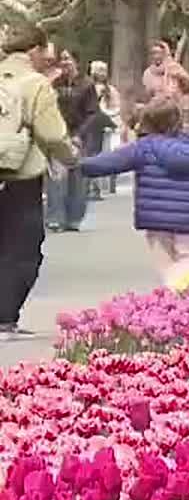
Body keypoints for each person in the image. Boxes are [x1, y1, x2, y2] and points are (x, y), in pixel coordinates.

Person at [81, 97, 189, 286]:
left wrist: (78, 165)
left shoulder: (144, 147)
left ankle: (176, 290)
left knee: (165, 261)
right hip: (188, 215)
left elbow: (111, 162)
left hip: (155, 217)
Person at [0, 26, 77, 337]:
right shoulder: (35, 85)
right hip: (20, 173)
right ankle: (5, 316)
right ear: (34, 49)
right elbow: (52, 134)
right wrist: (71, 158)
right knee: (23, 247)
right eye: (46, 50)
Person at [46, 49, 99, 232]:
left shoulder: (87, 85)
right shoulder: (55, 84)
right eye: (62, 59)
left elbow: (92, 114)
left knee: (78, 178)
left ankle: (74, 218)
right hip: (60, 135)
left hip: (80, 135)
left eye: (68, 59)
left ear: (76, 62)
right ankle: (55, 217)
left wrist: (79, 134)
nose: (64, 63)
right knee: (57, 178)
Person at [141, 39, 189, 129]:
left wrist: (180, 77)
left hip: (174, 111)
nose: (155, 56)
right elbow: (148, 95)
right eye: (153, 53)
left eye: (158, 53)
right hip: (156, 112)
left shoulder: (174, 68)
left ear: (164, 54)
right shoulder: (148, 73)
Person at [88, 61, 122, 196]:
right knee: (92, 153)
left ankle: (103, 186)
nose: (100, 74)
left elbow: (116, 108)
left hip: (106, 126)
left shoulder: (111, 91)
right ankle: (93, 186)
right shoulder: (88, 89)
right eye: (97, 71)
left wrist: (113, 123)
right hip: (91, 126)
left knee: (105, 153)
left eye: (102, 71)